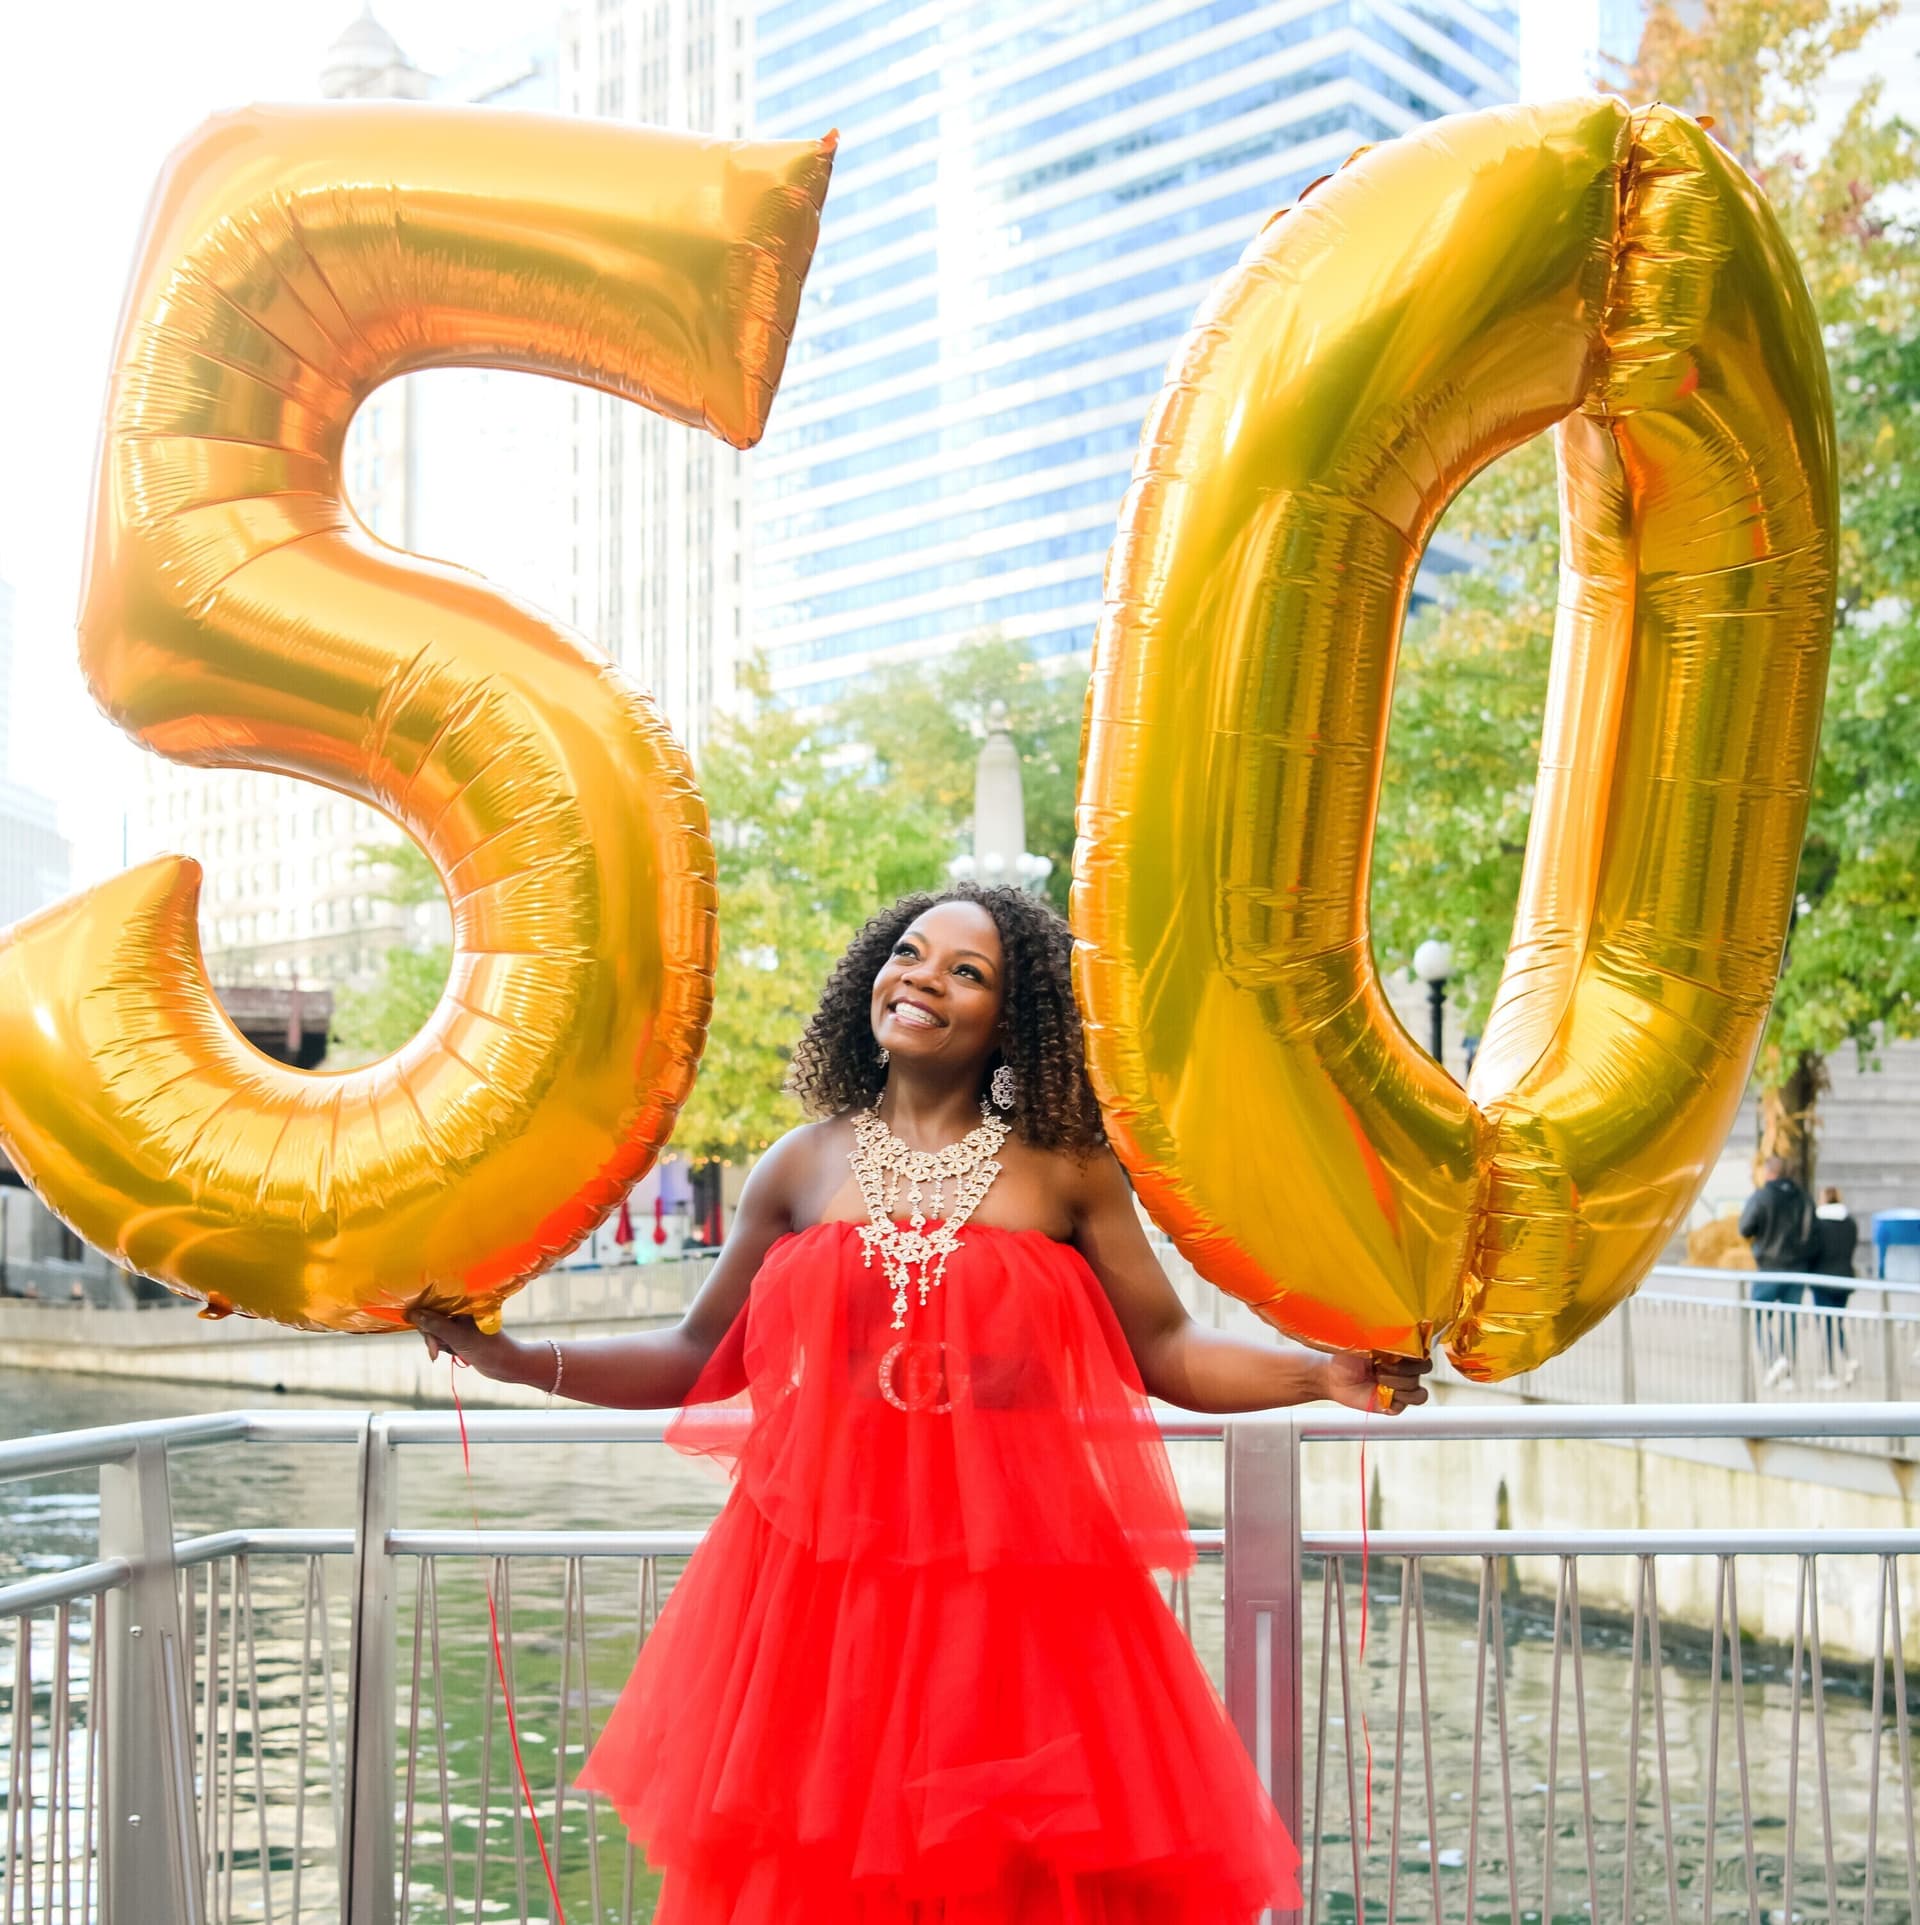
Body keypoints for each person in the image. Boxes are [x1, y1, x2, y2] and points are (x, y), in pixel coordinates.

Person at [415, 886, 1430, 1925]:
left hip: (1019, 1589)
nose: (923, 979)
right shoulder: (800, 1164)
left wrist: (1320, 1373)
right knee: (815, 1868)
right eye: (909, 952)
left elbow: (1165, 1348)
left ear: (1012, 1018)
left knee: (1016, 1870)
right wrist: (511, 1357)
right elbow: (695, 1356)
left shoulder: (1066, 1170)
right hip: (818, 1591)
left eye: (966, 971)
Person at [1738, 1155, 1818, 1389]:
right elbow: (1814, 1231)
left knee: (1761, 1316)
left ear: (1770, 1173)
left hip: (1769, 1267)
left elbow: (1745, 1227)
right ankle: (1788, 1369)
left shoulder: (1762, 1197)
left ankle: (1773, 1360)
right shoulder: (1804, 1198)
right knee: (1789, 1319)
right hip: (1796, 1269)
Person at [1811, 1185, 1861, 1389]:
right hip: (1844, 1278)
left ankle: (1830, 1370)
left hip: (1823, 1279)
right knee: (1837, 1322)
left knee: (1826, 1325)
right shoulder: (1850, 1223)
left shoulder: (1818, 1224)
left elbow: (1812, 1249)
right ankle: (1848, 1359)